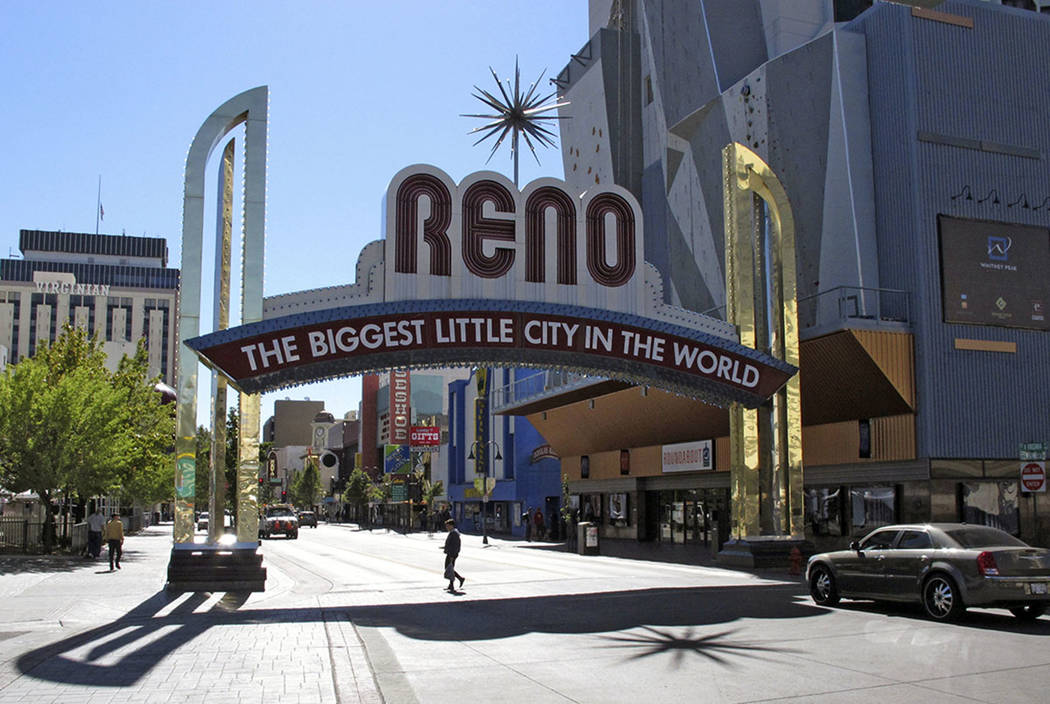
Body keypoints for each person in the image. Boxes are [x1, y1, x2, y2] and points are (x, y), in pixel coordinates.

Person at [442, 518, 464, 592]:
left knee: (449, 568)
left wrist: (452, 555)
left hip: (452, 554)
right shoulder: (452, 533)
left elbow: (455, 545)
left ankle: (459, 579)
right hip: (450, 553)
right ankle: (452, 584)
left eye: (448, 526)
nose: (447, 527)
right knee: (449, 568)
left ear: (451, 526)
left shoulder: (454, 533)